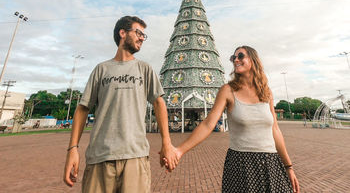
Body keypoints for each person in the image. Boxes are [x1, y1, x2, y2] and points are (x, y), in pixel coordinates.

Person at [63, 16, 178, 193]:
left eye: (144, 35)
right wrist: (73, 149)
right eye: (138, 33)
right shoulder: (101, 69)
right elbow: (82, 108)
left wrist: (167, 144)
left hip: (135, 157)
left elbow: (158, 102)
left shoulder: (145, 69)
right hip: (99, 157)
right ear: (122, 33)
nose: (142, 38)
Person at [171, 46, 300, 192]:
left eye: (240, 56)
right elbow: (208, 124)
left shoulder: (267, 92)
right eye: (233, 58)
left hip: (271, 163)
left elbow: (275, 130)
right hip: (241, 164)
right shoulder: (228, 90)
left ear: (253, 60)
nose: (236, 60)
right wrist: (179, 151)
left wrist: (288, 167)